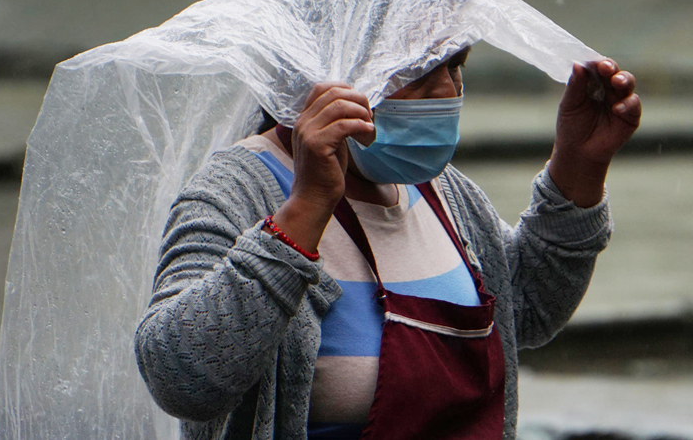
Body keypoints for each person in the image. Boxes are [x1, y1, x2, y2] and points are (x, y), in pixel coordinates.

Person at [134, 32, 641, 438]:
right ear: (336, 65)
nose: (447, 90)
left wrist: (579, 166)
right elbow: (179, 377)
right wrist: (305, 211)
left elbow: (524, 309)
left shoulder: (441, 191)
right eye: (419, 70)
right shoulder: (238, 191)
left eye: (455, 65)